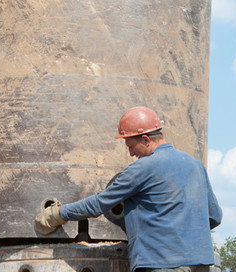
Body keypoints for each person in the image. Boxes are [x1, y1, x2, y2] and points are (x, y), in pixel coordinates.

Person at [35, 106, 222, 272]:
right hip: (201, 262)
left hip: (162, 263)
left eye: (131, 146)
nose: (131, 153)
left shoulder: (143, 168)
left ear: (146, 139)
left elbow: (99, 204)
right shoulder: (196, 166)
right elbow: (214, 217)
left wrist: (59, 213)